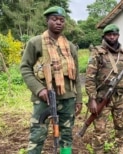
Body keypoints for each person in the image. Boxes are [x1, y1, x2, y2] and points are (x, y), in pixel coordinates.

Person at [20, 6, 82, 154]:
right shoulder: (35, 43)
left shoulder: (71, 47)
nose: (59, 23)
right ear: (47, 20)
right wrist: (39, 89)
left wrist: (78, 99)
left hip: (68, 98)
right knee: (38, 134)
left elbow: (77, 76)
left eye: (62, 20)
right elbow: (25, 68)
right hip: (44, 98)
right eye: (54, 19)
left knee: (66, 134)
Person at [85, 24, 123, 154]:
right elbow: (90, 77)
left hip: (120, 97)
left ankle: (122, 148)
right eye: (109, 34)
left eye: (114, 34)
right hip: (103, 97)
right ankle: (98, 150)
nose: (112, 37)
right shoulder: (97, 52)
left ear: (118, 36)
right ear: (104, 36)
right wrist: (92, 99)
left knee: (121, 125)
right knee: (100, 127)